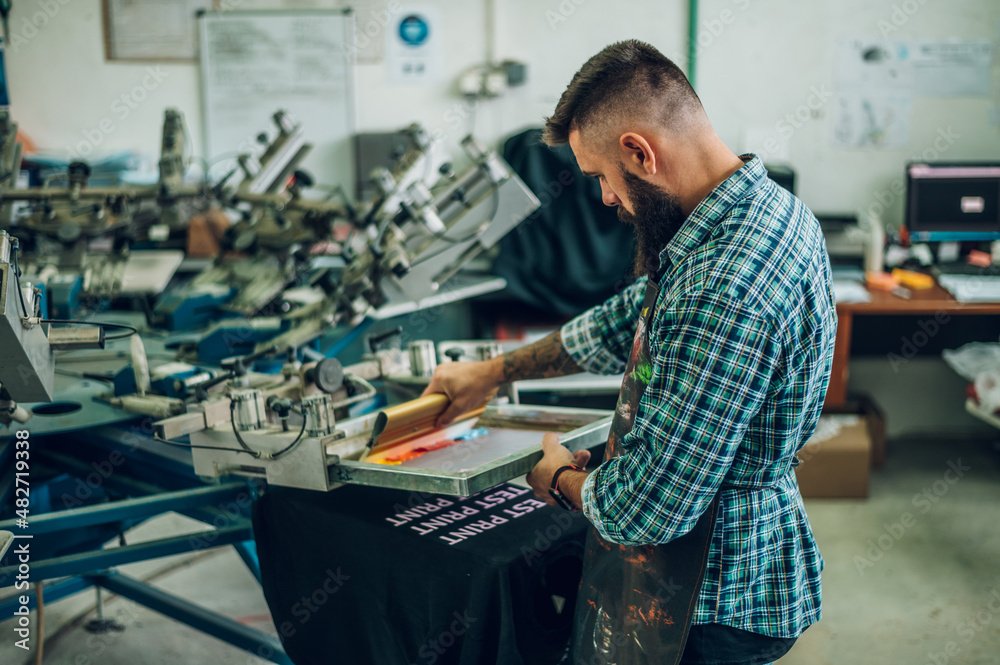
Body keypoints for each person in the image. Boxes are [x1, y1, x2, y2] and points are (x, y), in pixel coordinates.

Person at [424, 39, 836, 665]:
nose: (605, 201)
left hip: (712, 599)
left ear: (640, 152)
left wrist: (559, 478)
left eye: (600, 179)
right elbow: (631, 319)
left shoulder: (728, 284)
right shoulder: (760, 211)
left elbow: (646, 510)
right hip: (724, 571)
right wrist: (493, 371)